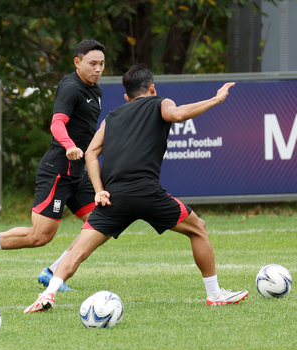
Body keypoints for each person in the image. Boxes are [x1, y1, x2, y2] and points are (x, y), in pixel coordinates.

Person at [24, 64, 248, 313]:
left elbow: (90, 152)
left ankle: (49, 293)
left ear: (126, 97)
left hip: (113, 197)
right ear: (152, 88)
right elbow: (178, 115)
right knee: (198, 229)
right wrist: (216, 100)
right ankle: (215, 294)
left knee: (78, 249)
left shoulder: (112, 117)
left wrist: (99, 190)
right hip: (146, 192)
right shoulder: (160, 102)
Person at [0, 40, 106, 286]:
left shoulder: (96, 91)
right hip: (58, 171)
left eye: (102, 64)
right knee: (40, 236)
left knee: (101, 224)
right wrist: (69, 145)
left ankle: (53, 272)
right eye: (93, 63)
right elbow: (57, 123)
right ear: (77, 62)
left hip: (78, 173)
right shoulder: (71, 87)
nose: (98, 69)